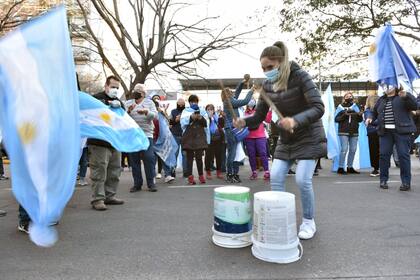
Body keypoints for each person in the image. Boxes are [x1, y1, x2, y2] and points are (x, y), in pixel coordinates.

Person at [234, 41, 326, 239]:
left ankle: (309, 221)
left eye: (270, 67)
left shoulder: (301, 76)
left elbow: (319, 107)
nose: (267, 71)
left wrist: (295, 120)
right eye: (263, 68)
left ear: (281, 62)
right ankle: (280, 218)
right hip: (286, 138)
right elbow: (258, 117)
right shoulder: (267, 85)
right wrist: (244, 121)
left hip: (309, 135)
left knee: (302, 179)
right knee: (275, 176)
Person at [365, 85, 417, 191]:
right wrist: (369, 117)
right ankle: (383, 180)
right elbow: (373, 111)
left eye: (389, 85)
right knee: (383, 155)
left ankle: (406, 182)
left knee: (403, 156)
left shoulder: (403, 96)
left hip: (402, 132)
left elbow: (415, 106)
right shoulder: (381, 99)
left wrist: (407, 96)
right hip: (385, 132)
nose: (387, 87)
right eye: (385, 85)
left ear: (396, 86)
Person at [87, 76, 125, 210]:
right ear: (106, 86)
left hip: (114, 142)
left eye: (117, 88)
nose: (115, 90)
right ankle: (97, 199)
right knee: (99, 171)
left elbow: (123, 119)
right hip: (99, 142)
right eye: (113, 86)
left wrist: (122, 108)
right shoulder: (96, 98)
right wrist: (107, 105)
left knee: (114, 171)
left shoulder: (119, 102)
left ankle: (110, 196)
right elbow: (92, 115)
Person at [127, 84, 158, 192]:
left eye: (139, 90)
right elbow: (123, 118)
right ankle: (137, 184)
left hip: (146, 134)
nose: (136, 92)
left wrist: (146, 112)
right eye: (135, 90)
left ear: (143, 93)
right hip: (133, 135)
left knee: (149, 158)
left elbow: (155, 116)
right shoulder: (128, 103)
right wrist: (128, 111)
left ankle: (151, 183)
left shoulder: (149, 103)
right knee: (134, 160)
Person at [222, 77, 254, 183]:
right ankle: (230, 174)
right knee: (232, 153)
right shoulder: (229, 102)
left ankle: (234, 173)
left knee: (237, 152)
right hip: (232, 130)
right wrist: (251, 91)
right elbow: (245, 101)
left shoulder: (230, 100)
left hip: (234, 129)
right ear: (228, 94)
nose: (233, 93)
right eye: (230, 92)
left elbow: (237, 92)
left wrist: (242, 83)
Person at [181, 95, 209, 185]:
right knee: (189, 158)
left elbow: (206, 123)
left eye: (195, 101)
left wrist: (200, 117)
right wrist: (191, 117)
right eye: (192, 101)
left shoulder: (202, 110)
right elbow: (182, 123)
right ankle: (190, 177)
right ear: (189, 103)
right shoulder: (185, 111)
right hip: (189, 137)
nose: (194, 103)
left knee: (199, 158)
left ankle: (201, 176)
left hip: (199, 137)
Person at [335, 92, 363, 174]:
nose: (349, 97)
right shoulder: (340, 107)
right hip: (343, 131)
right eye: (347, 96)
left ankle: (350, 167)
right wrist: (345, 115)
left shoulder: (356, 107)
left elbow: (360, 120)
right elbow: (336, 119)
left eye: (351, 96)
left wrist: (359, 115)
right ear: (344, 98)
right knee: (344, 149)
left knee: (353, 149)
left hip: (354, 131)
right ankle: (340, 168)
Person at [244, 99, 271, 180]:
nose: (251, 102)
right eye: (249, 100)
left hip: (260, 136)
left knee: (263, 154)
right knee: (251, 155)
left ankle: (267, 172)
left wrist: (269, 110)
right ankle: (254, 172)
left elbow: (268, 120)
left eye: (253, 100)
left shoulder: (259, 111)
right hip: (249, 137)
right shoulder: (244, 113)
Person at [152, 95, 175, 183]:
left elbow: (168, 122)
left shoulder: (161, 114)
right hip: (153, 139)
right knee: (152, 160)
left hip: (161, 138)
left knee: (164, 157)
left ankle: (168, 175)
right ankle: (152, 177)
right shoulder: (150, 114)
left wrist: (164, 112)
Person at [205, 104, 224, 180]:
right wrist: (209, 118)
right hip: (209, 139)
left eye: (211, 109)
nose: (210, 111)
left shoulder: (217, 117)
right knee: (208, 157)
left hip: (218, 139)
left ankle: (218, 172)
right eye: (208, 109)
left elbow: (221, 125)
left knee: (218, 156)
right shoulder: (205, 118)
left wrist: (218, 117)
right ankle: (208, 172)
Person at [169, 98, 188, 178]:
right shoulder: (173, 111)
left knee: (185, 154)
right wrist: (176, 120)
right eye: (179, 104)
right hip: (175, 134)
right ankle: (172, 171)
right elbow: (170, 122)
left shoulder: (186, 111)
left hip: (184, 135)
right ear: (177, 104)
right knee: (174, 153)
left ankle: (186, 172)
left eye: (182, 104)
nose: (180, 105)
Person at [364, 95, 380, 177]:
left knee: (374, 151)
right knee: (381, 151)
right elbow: (368, 115)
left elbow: (369, 116)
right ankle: (378, 168)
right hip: (377, 132)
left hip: (373, 132)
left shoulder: (369, 110)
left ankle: (376, 168)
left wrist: (372, 121)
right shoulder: (368, 110)